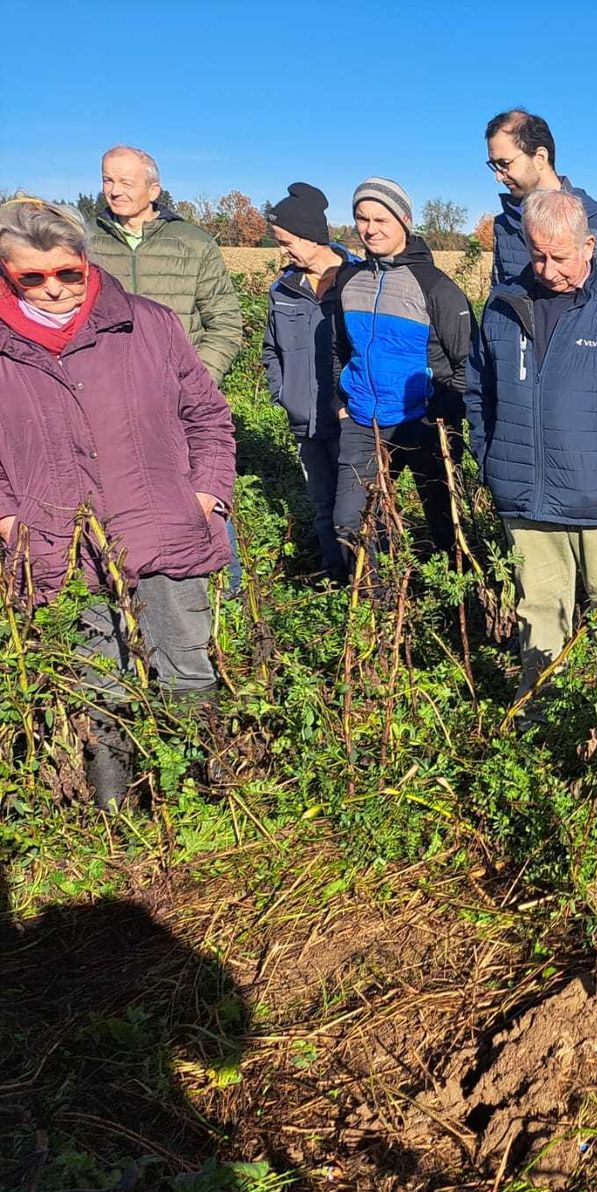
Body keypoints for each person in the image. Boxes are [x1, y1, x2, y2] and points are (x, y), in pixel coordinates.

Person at [0, 197, 235, 807]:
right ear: (7, 272)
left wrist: (205, 494)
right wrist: (8, 518)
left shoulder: (147, 323)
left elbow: (208, 416)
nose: (53, 288)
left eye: (67, 272)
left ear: (86, 260)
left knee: (186, 664)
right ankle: (117, 811)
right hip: (57, 543)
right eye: (32, 277)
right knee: (97, 680)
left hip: (164, 526)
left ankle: (204, 804)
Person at [465, 190, 597, 709]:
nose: (548, 269)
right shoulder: (502, 308)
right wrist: (492, 459)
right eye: (538, 255)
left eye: (560, 256)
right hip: (525, 499)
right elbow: (478, 394)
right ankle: (539, 716)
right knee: (538, 612)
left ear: (589, 246)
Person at [329, 177, 471, 568]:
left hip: (425, 423)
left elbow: (468, 363)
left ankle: (452, 592)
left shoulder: (435, 286)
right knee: (352, 525)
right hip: (363, 422)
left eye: (381, 219)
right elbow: (339, 349)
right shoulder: (350, 281)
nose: (370, 229)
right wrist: (341, 404)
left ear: (405, 221)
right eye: (362, 218)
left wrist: (441, 412)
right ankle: (377, 598)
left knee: (445, 521)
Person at [261, 183, 358, 581]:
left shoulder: (357, 280)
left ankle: (370, 587)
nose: (284, 251)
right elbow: (271, 349)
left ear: (311, 236)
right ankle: (335, 579)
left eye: (287, 242)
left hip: (351, 420)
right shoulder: (283, 289)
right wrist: (284, 394)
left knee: (358, 508)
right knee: (322, 505)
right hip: (305, 420)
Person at [87, 145, 243, 387]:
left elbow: (225, 323)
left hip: (177, 388)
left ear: (153, 191)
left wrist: (197, 383)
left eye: (126, 182)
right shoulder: (83, 243)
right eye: (108, 180)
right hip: (103, 388)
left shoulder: (194, 244)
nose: (115, 191)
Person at [486, 108, 597, 292]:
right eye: (494, 166)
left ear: (540, 158)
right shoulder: (504, 224)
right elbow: (498, 298)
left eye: (504, 164)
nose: (498, 176)